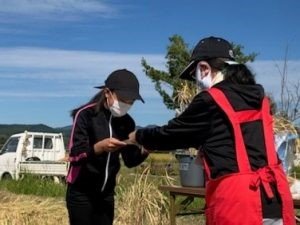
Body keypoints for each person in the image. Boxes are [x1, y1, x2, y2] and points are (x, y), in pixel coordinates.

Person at [128, 36, 295, 225]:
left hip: (239, 204)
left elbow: (172, 134)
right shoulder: (260, 99)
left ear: (204, 68)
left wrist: (138, 136)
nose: (195, 82)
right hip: (276, 200)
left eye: (194, 75)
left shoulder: (210, 100)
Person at [66, 69, 148, 225]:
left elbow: (130, 161)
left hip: (106, 194)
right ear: (107, 92)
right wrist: (99, 148)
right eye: (123, 99)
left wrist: (146, 149)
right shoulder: (85, 115)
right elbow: (75, 155)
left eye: (131, 102)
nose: (127, 104)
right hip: (81, 193)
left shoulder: (127, 122)